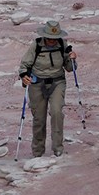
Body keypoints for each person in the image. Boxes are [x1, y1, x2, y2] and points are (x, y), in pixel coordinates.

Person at [18, 20, 77, 158]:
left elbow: (69, 68)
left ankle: (58, 149)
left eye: (54, 38)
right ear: (45, 35)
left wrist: (72, 59)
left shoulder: (63, 44)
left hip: (57, 82)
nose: (52, 41)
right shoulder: (36, 45)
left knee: (56, 112)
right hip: (37, 84)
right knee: (39, 118)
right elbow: (24, 65)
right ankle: (38, 152)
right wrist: (24, 76)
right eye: (49, 38)